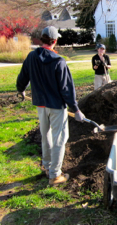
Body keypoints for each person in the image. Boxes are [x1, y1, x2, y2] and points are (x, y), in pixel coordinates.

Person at [16, 26, 85, 186]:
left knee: (45, 135)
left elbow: (22, 77)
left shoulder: (32, 56)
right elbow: (66, 89)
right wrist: (76, 109)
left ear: (41, 39)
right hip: (56, 107)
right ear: (54, 41)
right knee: (60, 138)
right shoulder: (58, 61)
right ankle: (54, 175)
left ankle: (47, 166)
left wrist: (21, 90)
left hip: (41, 105)